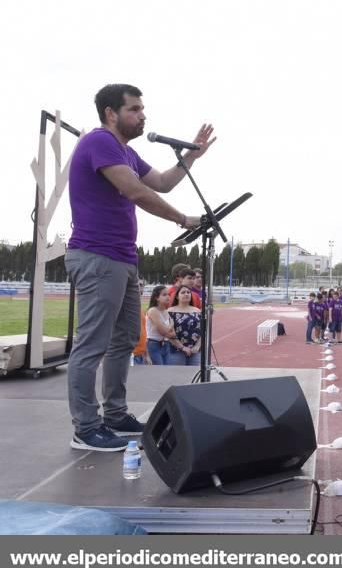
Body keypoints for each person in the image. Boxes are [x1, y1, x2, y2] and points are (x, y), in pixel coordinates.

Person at [65, 83, 209, 452]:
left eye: (142, 109)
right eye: (134, 109)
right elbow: (137, 192)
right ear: (111, 113)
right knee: (92, 344)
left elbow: (161, 182)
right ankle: (85, 427)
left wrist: (191, 157)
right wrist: (183, 219)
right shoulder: (100, 142)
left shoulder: (125, 152)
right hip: (98, 256)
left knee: (125, 340)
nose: (143, 115)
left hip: (123, 259)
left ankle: (114, 415)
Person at [168, 285, 202, 365]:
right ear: (177, 296)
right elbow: (169, 333)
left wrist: (197, 346)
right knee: (178, 375)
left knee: (194, 375)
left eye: (188, 292)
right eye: (183, 292)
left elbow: (203, 330)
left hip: (195, 351)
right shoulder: (170, 312)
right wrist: (182, 347)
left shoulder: (198, 311)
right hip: (176, 350)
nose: (186, 294)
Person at [145, 285, 175, 365]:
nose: (168, 297)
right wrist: (171, 324)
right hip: (154, 344)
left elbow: (173, 334)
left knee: (166, 371)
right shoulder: (153, 311)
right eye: (164, 295)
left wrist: (167, 331)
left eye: (169, 294)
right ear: (156, 298)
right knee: (158, 371)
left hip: (165, 344)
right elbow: (163, 332)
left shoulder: (166, 311)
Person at [131, 279, 149, 365]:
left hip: (140, 354)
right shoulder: (122, 307)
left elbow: (144, 333)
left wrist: (146, 355)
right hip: (130, 355)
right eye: (137, 285)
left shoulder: (140, 308)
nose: (140, 288)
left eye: (141, 285)